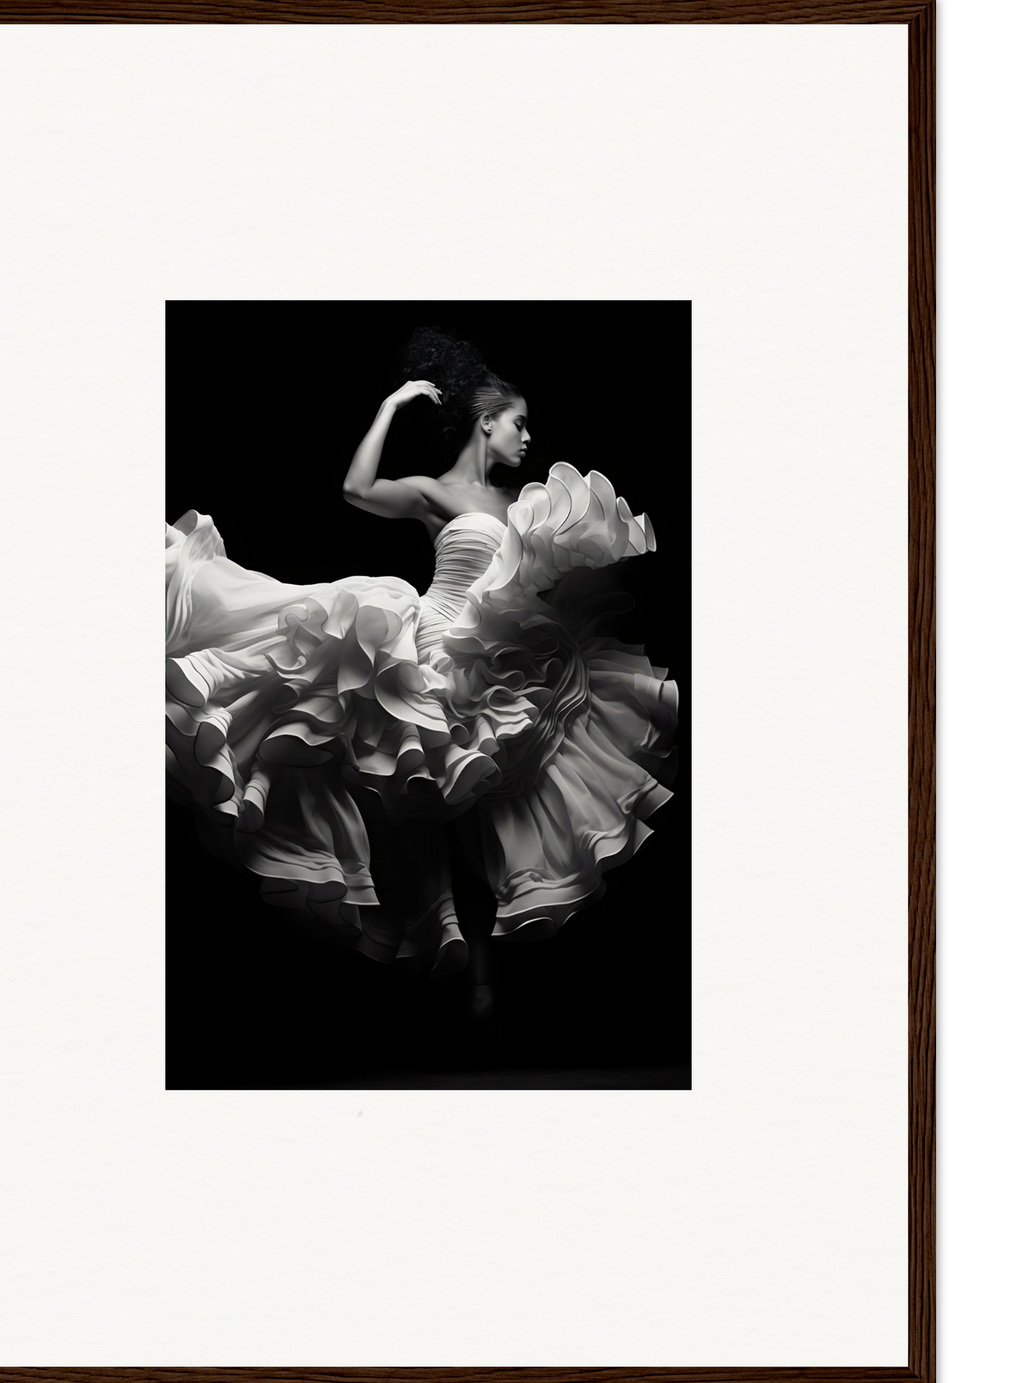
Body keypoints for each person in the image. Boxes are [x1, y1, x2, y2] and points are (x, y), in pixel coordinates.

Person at [165, 328, 678, 1019]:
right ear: (484, 422)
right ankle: (430, 976)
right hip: (430, 646)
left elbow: (536, 575)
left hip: (500, 661)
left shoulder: (520, 499)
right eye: (517, 423)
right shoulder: (433, 492)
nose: (527, 438)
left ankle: (477, 977)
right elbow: (355, 488)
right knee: (419, 812)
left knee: (483, 821)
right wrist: (394, 402)